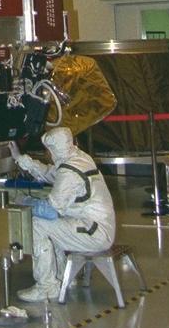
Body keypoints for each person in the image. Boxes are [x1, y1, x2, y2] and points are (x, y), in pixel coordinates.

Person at [11, 126, 116, 302]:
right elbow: (51, 174)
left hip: (94, 233)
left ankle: (47, 287)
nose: (47, 154)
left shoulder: (70, 171)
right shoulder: (79, 159)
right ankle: (62, 277)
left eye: (48, 150)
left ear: (54, 149)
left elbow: (49, 211)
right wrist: (21, 159)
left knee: (37, 225)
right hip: (95, 227)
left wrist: (25, 201)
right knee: (56, 226)